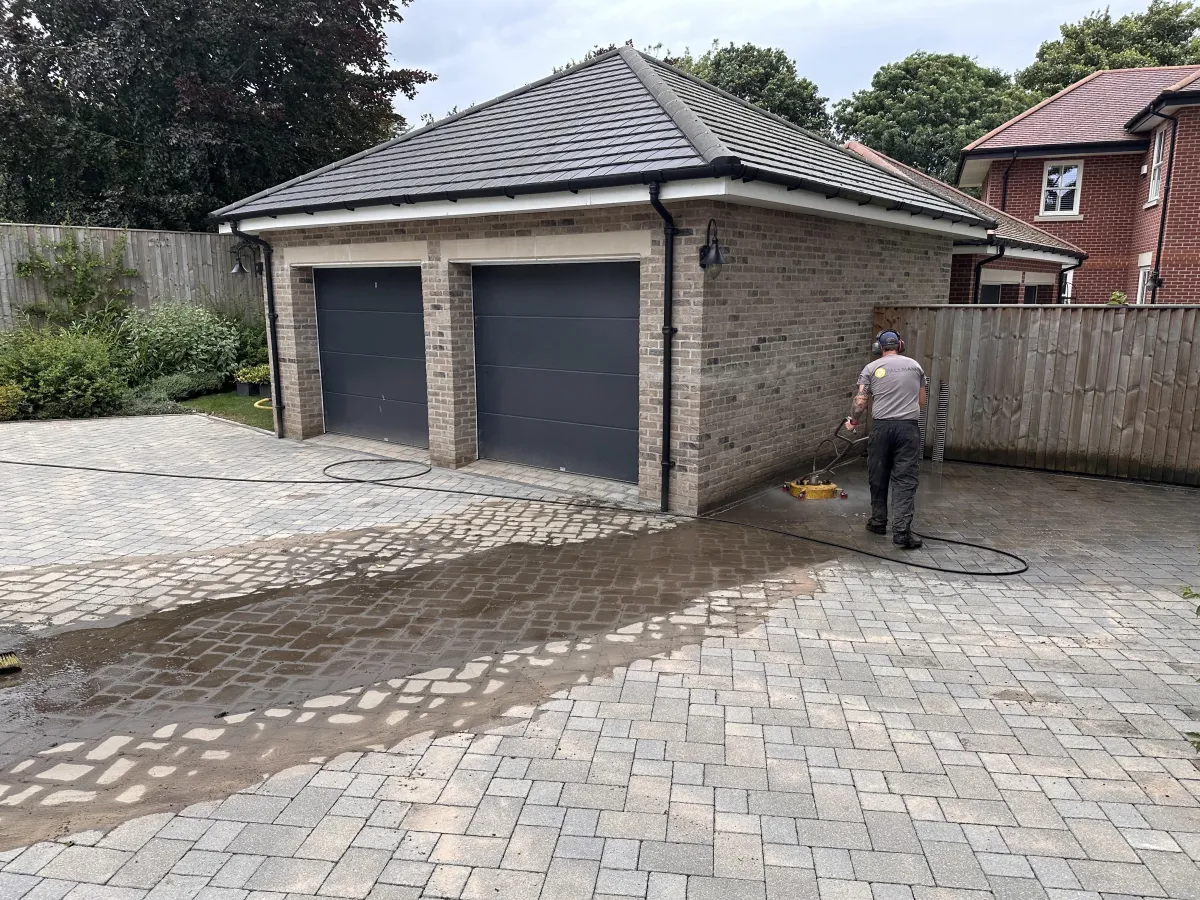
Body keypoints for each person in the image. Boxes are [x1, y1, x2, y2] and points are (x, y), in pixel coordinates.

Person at [844, 330, 927, 550]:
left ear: (878, 348)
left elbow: (860, 402)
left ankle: (878, 522)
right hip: (907, 429)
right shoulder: (916, 366)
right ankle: (901, 532)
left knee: (878, 475)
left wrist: (853, 421)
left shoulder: (870, 369)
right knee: (905, 480)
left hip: (881, 428)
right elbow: (921, 401)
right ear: (900, 345)